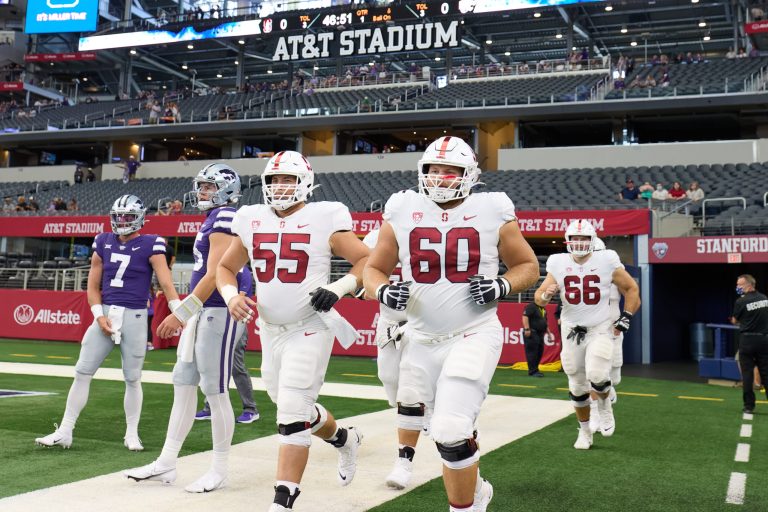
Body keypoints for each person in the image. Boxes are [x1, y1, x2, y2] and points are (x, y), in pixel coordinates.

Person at [363, 136, 539, 512]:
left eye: (450, 171)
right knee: (423, 418)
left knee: (450, 429)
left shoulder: (491, 209)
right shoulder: (402, 207)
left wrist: (502, 284)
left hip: (472, 333)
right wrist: (381, 291)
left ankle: (465, 507)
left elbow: (528, 266)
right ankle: (475, 493)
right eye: (433, 170)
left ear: (469, 174)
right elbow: (374, 269)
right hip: (419, 338)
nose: (440, 178)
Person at [218, 150, 370, 511]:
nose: (280, 186)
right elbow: (225, 268)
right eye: (274, 179)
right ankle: (345, 439)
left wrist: (340, 287)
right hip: (270, 330)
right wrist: (229, 295)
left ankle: (283, 501)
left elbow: (366, 259)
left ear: (305, 182)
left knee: (290, 411)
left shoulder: (324, 216)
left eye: (288, 178)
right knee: (290, 404)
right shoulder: (251, 218)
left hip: (310, 326)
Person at [124, 164, 247, 493]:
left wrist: (183, 312)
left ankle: (219, 468)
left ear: (225, 188)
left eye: (208, 187)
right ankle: (166, 462)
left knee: (215, 390)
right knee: (183, 381)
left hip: (219, 310)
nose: (202, 192)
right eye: (202, 186)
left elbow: (217, 272)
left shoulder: (225, 217)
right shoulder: (212, 218)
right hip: (205, 310)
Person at [35, 195, 179, 450]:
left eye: (128, 216)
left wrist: (179, 311)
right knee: (82, 372)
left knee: (132, 378)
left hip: (134, 315)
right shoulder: (102, 241)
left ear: (140, 218)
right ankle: (65, 430)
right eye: (118, 216)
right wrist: (99, 315)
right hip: (107, 313)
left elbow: (166, 283)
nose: (122, 221)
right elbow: (92, 285)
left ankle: (131, 433)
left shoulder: (153, 243)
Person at [535, 219, 640, 449]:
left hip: (600, 327)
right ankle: (584, 432)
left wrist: (626, 316)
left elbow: (631, 288)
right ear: (568, 241)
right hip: (572, 329)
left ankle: (604, 406)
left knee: (598, 374)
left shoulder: (607, 259)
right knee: (576, 385)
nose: (580, 243)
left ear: (593, 241)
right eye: (576, 239)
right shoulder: (558, 262)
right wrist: (546, 296)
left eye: (584, 239)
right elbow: (539, 296)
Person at [361, 228, 424, 490]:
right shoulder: (375, 239)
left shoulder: (424, 233)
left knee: (409, 392)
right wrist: (378, 290)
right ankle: (419, 411)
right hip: (388, 321)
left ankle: (404, 462)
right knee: (388, 379)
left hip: (421, 323)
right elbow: (365, 285)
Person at [195, 269, 260, 425]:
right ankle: (210, 405)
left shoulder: (241, 270)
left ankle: (251, 409)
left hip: (235, 321)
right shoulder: (224, 267)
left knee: (236, 366)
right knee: (213, 365)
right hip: (218, 319)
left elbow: (240, 299)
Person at [730, 274, 768, 414]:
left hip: (747, 340)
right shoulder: (765, 298)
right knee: (766, 373)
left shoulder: (741, 301)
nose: (738, 287)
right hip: (764, 340)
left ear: (749, 285)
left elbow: (735, 320)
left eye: (740, 285)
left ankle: (748, 407)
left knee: (747, 374)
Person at [522, 300, 552, 377]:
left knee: (539, 352)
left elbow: (545, 322)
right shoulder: (531, 306)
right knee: (532, 352)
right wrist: (527, 329)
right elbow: (525, 316)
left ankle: (535, 369)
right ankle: (532, 371)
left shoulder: (543, 309)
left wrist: (549, 334)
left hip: (540, 333)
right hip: (532, 332)